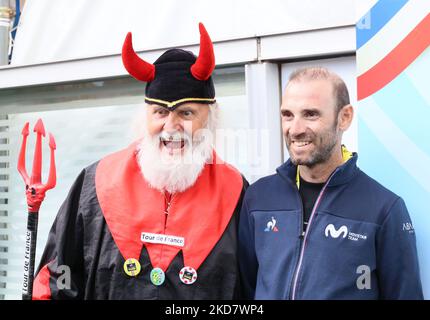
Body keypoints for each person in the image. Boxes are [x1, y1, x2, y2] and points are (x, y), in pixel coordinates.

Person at [32, 23, 248, 299]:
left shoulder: (234, 191)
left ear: (211, 118)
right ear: (144, 117)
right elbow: (58, 274)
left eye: (186, 113)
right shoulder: (96, 183)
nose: (171, 126)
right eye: (159, 112)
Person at [238, 67, 423, 300]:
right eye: (288, 115)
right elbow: (245, 292)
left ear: (344, 117)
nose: (295, 129)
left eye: (310, 114)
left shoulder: (384, 209)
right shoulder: (258, 197)